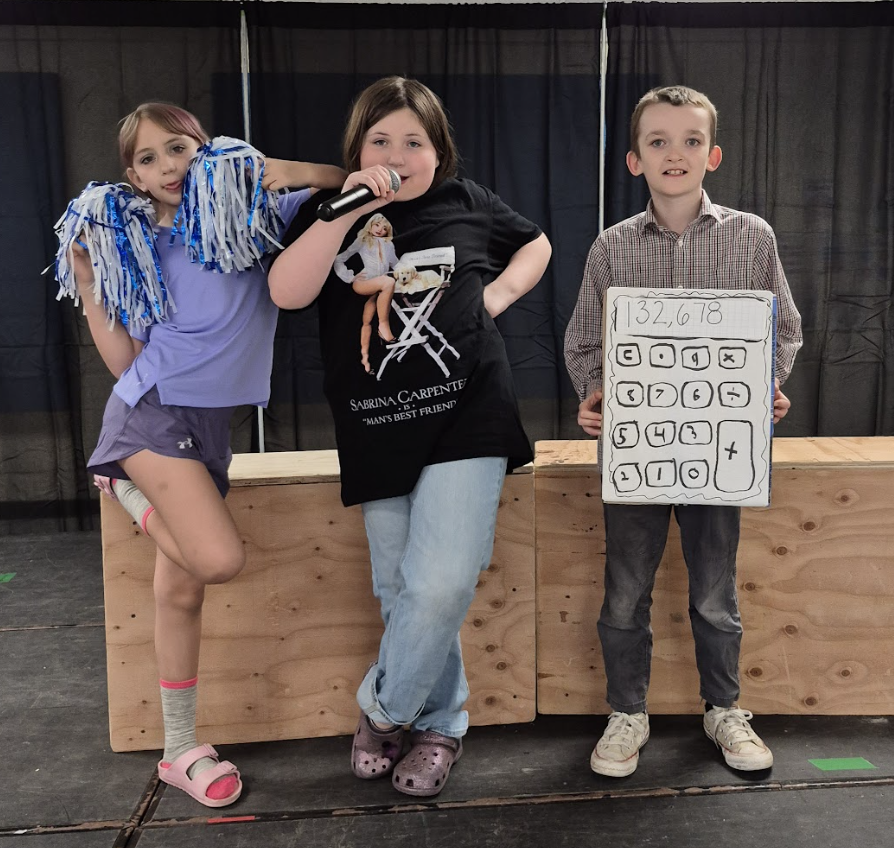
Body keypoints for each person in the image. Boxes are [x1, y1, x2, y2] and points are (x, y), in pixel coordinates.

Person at [269, 77, 551, 797]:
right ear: (358, 149)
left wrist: (498, 296)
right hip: (375, 427)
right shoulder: (328, 213)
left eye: (414, 141)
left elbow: (537, 244)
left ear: (439, 149)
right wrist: (346, 207)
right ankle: (442, 725)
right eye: (381, 140)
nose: (398, 153)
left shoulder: (469, 202)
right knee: (401, 592)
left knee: (443, 579)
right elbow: (288, 292)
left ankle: (384, 708)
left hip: (469, 412)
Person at [66, 102, 345, 807]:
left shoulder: (250, 214)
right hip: (151, 413)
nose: (167, 168)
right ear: (130, 174)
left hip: (210, 427)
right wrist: (93, 289)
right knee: (217, 560)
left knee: (182, 588)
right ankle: (121, 483)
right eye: (148, 159)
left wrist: (261, 170)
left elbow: (337, 181)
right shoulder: (139, 242)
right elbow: (126, 357)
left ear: (206, 148)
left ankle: (178, 749)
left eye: (180, 148)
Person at [564, 85, 802, 778]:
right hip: (636, 455)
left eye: (691, 140)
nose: (676, 153)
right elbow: (584, 342)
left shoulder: (751, 237)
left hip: (720, 452)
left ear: (713, 154)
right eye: (659, 142)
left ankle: (724, 709)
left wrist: (764, 391)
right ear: (635, 160)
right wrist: (594, 396)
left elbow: (781, 330)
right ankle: (626, 713)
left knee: (714, 593)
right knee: (625, 591)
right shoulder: (611, 248)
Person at [334, 213, 400, 371]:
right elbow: (339, 259)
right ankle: (384, 328)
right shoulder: (363, 241)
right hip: (364, 282)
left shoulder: (388, 245)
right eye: (377, 225)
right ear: (370, 225)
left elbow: (396, 264)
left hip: (378, 287)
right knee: (388, 281)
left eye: (384, 228)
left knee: (367, 320)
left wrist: (409, 272)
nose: (379, 230)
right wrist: (349, 277)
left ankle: (365, 362)